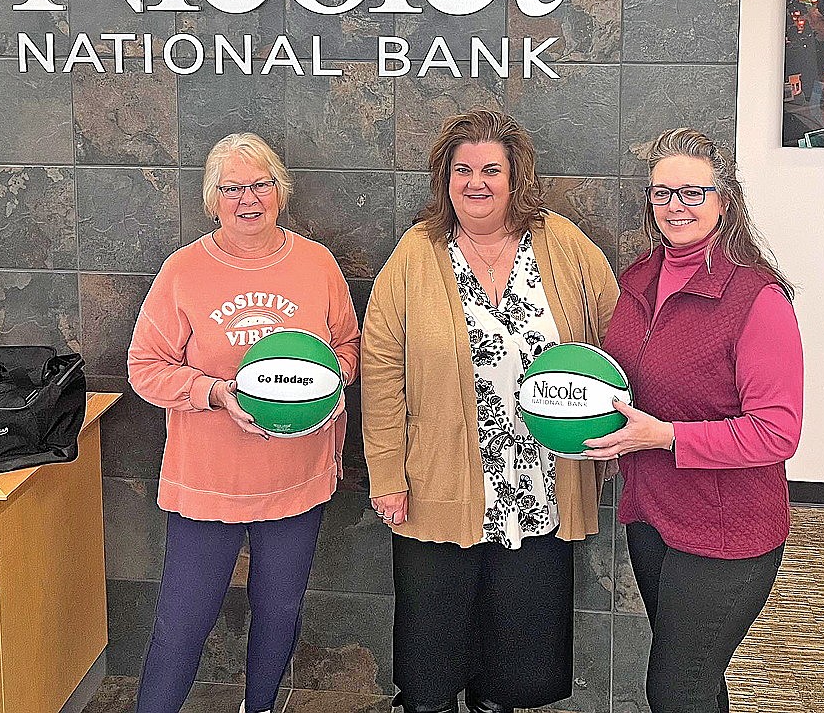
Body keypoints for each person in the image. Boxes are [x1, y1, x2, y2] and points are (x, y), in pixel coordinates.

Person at [361, 109, 619, 713]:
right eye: (462, 170)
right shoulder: (419, 252)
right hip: (436, 484)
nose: (476, 183)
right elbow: (380, 368)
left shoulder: (560, 242)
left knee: (516, 657)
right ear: (445, 178)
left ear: (515, 176)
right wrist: (388, 474)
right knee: (431, 652)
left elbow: (616, 332)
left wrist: (610, 429)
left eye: (490, 170)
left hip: (540, 486)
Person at [127, 132, 360, 713]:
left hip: (296, 479)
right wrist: (214, 392)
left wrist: (327, 386)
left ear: (280, 192)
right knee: (183, 623)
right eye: (232, 188)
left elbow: (349, 347)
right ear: (213, 199)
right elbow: (144, 368)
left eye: (259, 185)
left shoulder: (316, 263)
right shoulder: (184, 271)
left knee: (280, 612)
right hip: (208, 484)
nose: (247, 199)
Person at [586, 128, 803, 713]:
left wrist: (664, 436)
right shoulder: (635, 282)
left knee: (674, 690)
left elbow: (778, 430)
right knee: (698, 681)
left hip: (728, 531)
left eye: (692, 192)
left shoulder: (758, 300)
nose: (675, 206)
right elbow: (624, 383)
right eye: (662, 193)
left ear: (722, 200)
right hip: (652, 513)